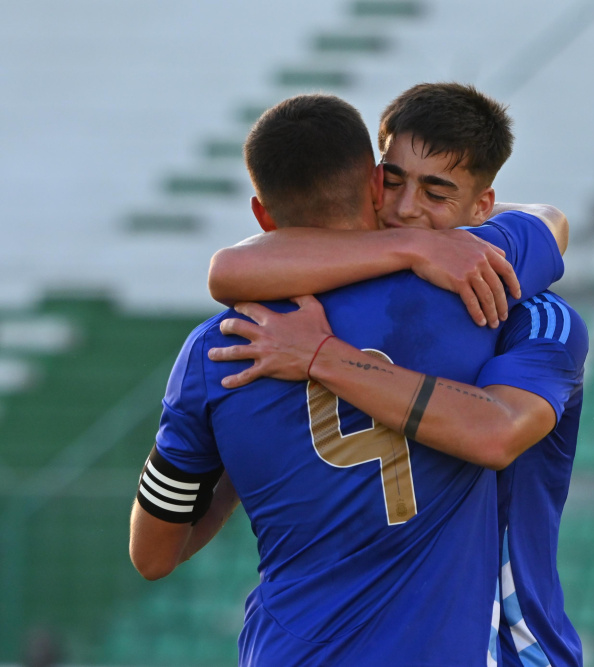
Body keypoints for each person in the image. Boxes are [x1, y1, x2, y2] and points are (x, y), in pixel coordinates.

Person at [128, 92, 566, 666]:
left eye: (430, 191)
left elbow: (153, 554)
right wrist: (418, 242)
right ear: (373, 183)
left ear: (262, 216)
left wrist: (238, 465)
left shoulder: (219, 349)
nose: (409, 207)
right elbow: (550, 223)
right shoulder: (482, 287)